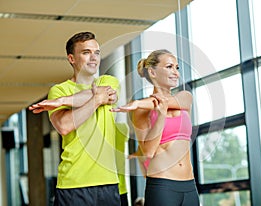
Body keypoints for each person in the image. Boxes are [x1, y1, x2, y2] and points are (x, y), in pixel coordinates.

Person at [29, 31, 121, 206]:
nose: (93, 58)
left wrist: (63, 102)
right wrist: (95, 100)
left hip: (108, 182)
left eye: (97, 52)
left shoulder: (108, 81)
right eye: (86, 52)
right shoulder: (58, 90)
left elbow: (104, 93)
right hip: (74, 183)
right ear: (71, 58)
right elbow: (64, 126)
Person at [111, 49, 200, 206]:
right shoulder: (141, 111)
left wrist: (139, 102)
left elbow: (170, 102)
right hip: (162, 185)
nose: (175, 73)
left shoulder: (185, 97)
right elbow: (148, 151)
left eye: (176, 68)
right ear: (152, 72)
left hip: (189, 185)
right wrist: (160, 116)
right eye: (169, 67)